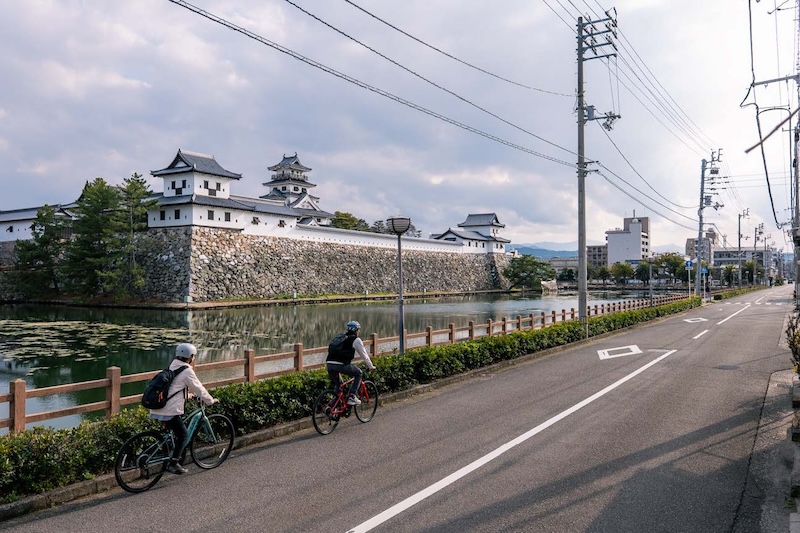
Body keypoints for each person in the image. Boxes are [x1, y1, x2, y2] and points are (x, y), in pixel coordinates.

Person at [149, 343, 218, 474]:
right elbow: (199, 388)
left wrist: (188, 396)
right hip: (169, 410)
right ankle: (173, 463)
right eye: (194, 356)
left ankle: (169, 454)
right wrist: (210, 401)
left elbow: (174, 387)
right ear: (190, 357)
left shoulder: (172, 365)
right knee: (184, 435)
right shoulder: (187, 371)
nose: (194, 358)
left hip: (158, 407)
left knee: (175, 433)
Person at [326, 320, 376, 406]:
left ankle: (330, 407)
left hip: (329, 364)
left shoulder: (341, 337)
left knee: (339, 386)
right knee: (359, 373)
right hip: (341, 364)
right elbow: (364, 355)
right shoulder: (356, 340)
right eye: (358, 330)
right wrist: (371, 366)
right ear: (356, 330)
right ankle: (351, 396)